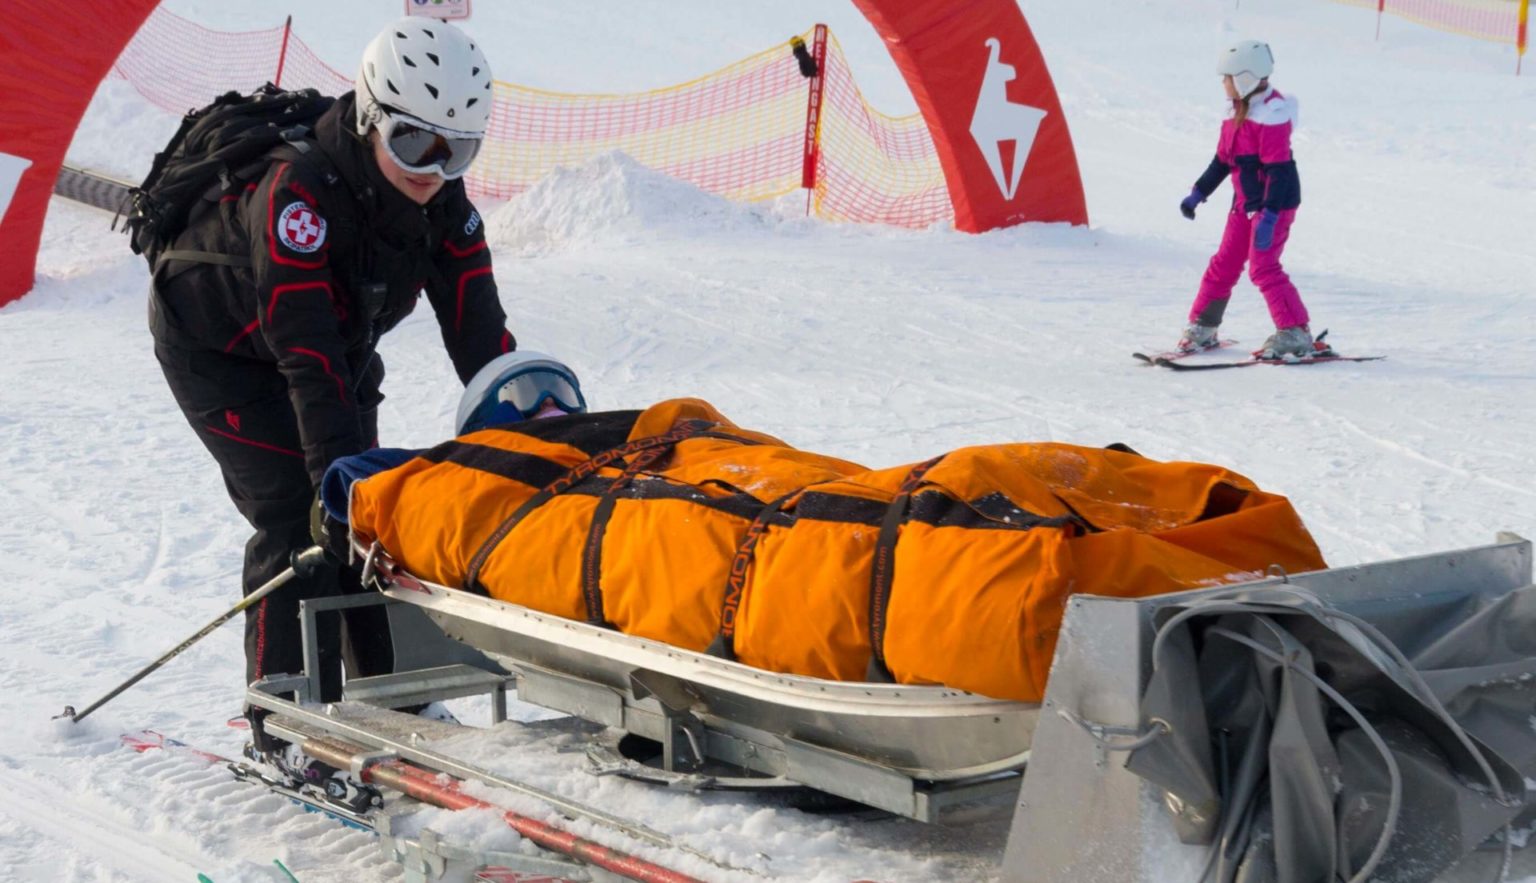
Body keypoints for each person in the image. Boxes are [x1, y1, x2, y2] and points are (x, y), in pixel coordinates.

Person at [147, 17, 514, 709]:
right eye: (412, 142)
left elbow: (483, 338)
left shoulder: (441, 202)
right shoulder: (298, 195)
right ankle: (282, 713)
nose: (432, 171)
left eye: (458, 152)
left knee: (368, 509)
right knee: (299, 518)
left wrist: (537, 437)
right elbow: (306, 356)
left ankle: (393, 696)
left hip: (333, 347)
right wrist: (334, 487)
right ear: (372, 118)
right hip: (219, 352)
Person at [316, 351, 589, 526]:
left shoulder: (601, 445)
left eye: (562, 392)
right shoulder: (463, 468)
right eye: (522, 394)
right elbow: (372, 471)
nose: (550, 403)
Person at [1176, 40, 1319, 359]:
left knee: (1263, 266)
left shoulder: (1272, 116)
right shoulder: (1234, 113)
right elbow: (1222, 161)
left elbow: (1279, 173)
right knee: (1225, 262)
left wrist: (1270, 216)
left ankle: (1295, 331)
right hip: (1245, 203)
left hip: (1275, 203)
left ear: (1244, 79)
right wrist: (1197, 194)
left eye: (1226, 78)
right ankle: (1203, 325)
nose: (1223, 84)